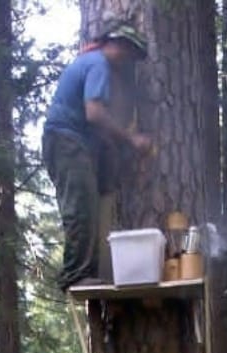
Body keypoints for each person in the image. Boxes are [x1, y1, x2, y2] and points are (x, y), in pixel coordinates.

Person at [42, 20, 154, 290]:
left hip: (73, 143)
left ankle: (90, 270)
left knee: (94, 203)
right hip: (66, 142)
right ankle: (75, 275)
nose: (128, 62)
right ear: (116, 44)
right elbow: (94, 113)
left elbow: (95, 123)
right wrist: (132, 138)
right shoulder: (98, 64)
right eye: (129, 54)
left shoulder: (92, 62)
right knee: (81, 207)